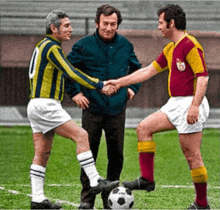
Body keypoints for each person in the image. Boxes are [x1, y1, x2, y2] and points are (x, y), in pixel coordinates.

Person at [106, 4, 210, 210]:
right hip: (175, 104)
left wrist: (195, 106)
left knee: (192, 156)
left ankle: (202, 204)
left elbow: (203, 78)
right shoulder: (171, 48)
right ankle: (147, 179)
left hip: (190, 103)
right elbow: (147, 71)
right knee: (144, 128)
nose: (159, 26)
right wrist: (119, 82)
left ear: (172, 23)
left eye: (161, 22)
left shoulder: (190, 45)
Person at [27, 10, 119, 209]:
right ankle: (95, 180)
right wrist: (99, 84)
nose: (71, 29)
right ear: (54, 28)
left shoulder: (41, 45)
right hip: (46, 104)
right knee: (81, 135)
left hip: (35, 104)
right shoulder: (52, 47)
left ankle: (37, 199)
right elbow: (71, 72)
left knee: (42, 153)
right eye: (66, 26)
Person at [65, 4, 141, 209]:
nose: (109, 28)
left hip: (117, 109)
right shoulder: (83, 45)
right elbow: (67, 70)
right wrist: (75, 93)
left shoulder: (125, 45)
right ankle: (87, 200)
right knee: (89, 154)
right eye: (105, 23)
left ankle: (111, 198)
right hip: (92, 108)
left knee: (116, 154)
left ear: (118, 25)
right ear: (97, 23)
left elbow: (137, 69)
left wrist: (132, 87)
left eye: (113, 24)